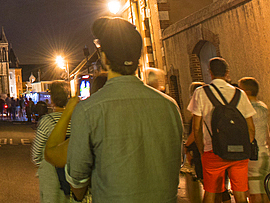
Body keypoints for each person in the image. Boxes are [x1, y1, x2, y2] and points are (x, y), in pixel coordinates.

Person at [64, 17, 183, 201]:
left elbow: (77, 180)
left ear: (104, 58)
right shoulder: (169, 106)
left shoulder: (89, 111)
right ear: (137, 58)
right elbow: (177, 162)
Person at [188, 57, 256, 203]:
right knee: (240, 195)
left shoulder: (200, 93)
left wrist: (202, 150)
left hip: (212, 150)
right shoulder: (240, 94)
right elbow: (250, 127)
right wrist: (245, 144)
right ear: (227, 72)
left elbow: (197, 127)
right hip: (239, 151)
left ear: (210, 73)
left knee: (210, 194)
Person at [31, 80, 70, 203]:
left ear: (51, 99)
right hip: (74, 171)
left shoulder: (47, 121)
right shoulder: (77, 117)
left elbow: (36, 154)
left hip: (51, 172)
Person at [236, 77, 270, 203]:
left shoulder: (245, 109)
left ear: (247, 92)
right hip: (265, 152)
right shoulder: (263, 107)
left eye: (240, 89)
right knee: (265, 190)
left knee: (254, 193)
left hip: (253, 155)